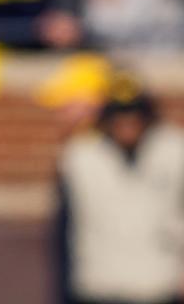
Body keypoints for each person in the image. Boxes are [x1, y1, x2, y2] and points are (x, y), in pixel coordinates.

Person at [56, 76, 184, 304]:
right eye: (119, 117)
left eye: (134, 117)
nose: (127, 125)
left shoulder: (173, 152)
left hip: (159, 285)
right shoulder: (81, 158)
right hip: (99, 286)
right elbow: (64, 231)